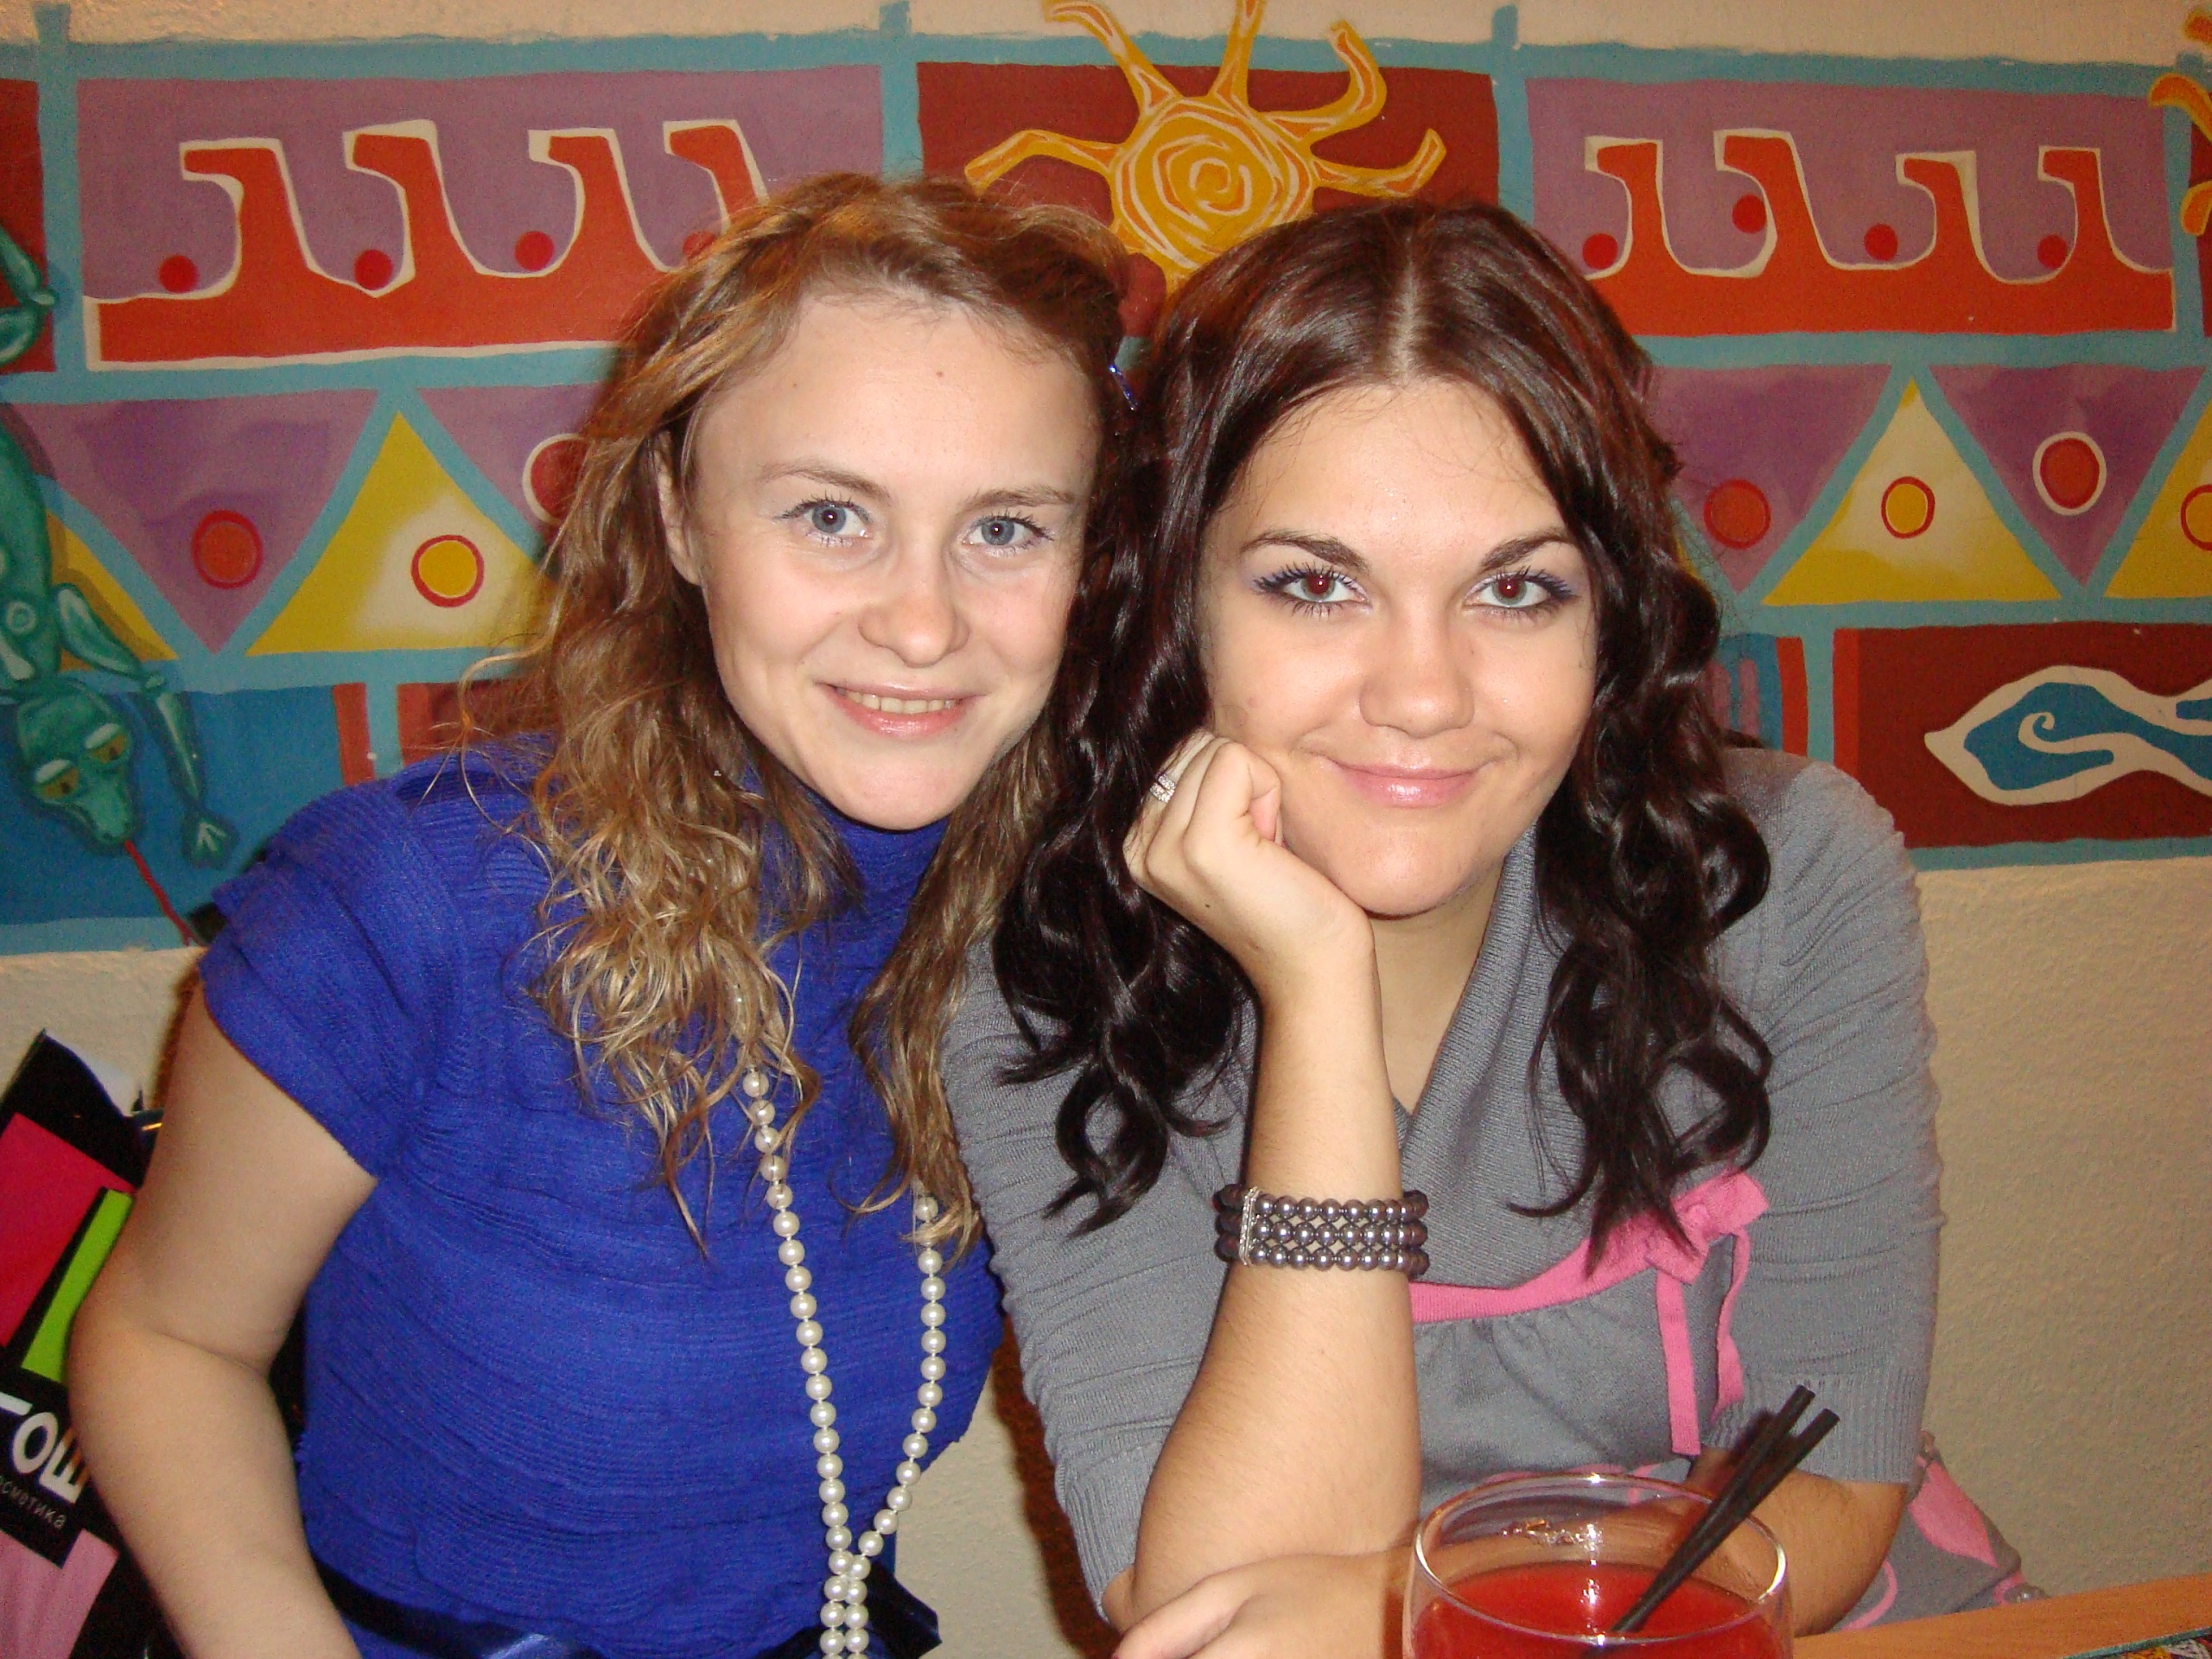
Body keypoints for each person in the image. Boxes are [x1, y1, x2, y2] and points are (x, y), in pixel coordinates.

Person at [945, 198, 2030, 1659]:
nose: (1422, 692)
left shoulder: (1786, 875)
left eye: (1516, 591)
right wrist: (1317, 999)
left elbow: (1837, 1479)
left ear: (1609, 617)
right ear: (1178, 600)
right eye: (1315, 584)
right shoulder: (1042, 977)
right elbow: (1217, 1607)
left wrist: (1421, 1602)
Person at [71, 173, 1126, 1659]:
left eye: (1007, 528)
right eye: (832, 515)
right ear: (681, 519)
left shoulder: (1050, 936)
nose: (922, 621)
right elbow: (167, 1339)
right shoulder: (412, 909)